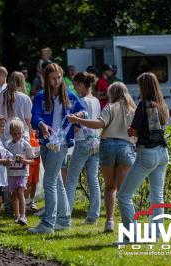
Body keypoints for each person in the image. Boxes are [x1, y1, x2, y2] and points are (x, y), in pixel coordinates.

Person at [70, 82, 136, 232]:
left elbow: (99, 124)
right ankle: (130, 226)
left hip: (108, 146)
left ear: (112, 93)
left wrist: (78, 121)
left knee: (110, 187)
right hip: (126, 147)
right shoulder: (133, 109)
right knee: (124, 191)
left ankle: (109, 221)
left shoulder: (110, 107)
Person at [29, 63, 86, 234]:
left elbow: (84, 111)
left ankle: (48, 224)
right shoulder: (40, 96)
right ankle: (64, 220)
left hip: (61, 144)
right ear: (47, 79)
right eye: (53, 78)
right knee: (57, 182)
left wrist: (76, 116)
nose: (57, 80)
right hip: (45, 142)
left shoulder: (69, 95)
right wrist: (41, 125)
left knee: (49, 182)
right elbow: (35, 116)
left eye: (59, 77)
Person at [117, 72, 170, 244]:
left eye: (140, 85)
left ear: (144, 86)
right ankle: (154, 235)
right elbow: (156, 130)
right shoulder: (162, 105)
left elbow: (133, 131)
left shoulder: (143, 105)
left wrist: (131, 130)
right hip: (163, 153)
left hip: (147, 153)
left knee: (124, 195)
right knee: (157, 196)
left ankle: (131, 237)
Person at [0, 71, 32, 214]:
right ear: (22, 83)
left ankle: (8, 203)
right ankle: (22, 204)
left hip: (4, 136)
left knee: (6, 171)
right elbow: (28, 120)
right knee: (21, 171)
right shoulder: (25, 98)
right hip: (22, 136)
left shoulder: (0, 96)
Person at [65, 72, 101, 224]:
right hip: (96, 141)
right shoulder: (97, 101)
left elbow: (78, 126)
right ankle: (93, 215)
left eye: (75, 85)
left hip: (83, 141)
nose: (74, 88)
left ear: (80, 85)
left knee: (71, 179)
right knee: (93, 179)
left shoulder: (81, 101)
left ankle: (65, 214)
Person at [6, 118, 34, 226]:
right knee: (14, 195)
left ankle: (23, 216)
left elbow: (32, 160)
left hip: (22, 173)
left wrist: (24, 160)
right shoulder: (7, 144)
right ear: (10, 133)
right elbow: (5, 157)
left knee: (20, 192)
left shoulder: (25, 144)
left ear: (23, 132)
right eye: (14, 134)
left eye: (19, 133)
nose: (17, 136)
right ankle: (16, 215)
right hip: (11, 173)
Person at [25, 130, 40, 210]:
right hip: (29, 161)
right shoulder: (25, 133)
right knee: (28, 182)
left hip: (37, 160)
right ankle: (26, 203)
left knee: (35, 182)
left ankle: (31, 201)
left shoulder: (36, 131)